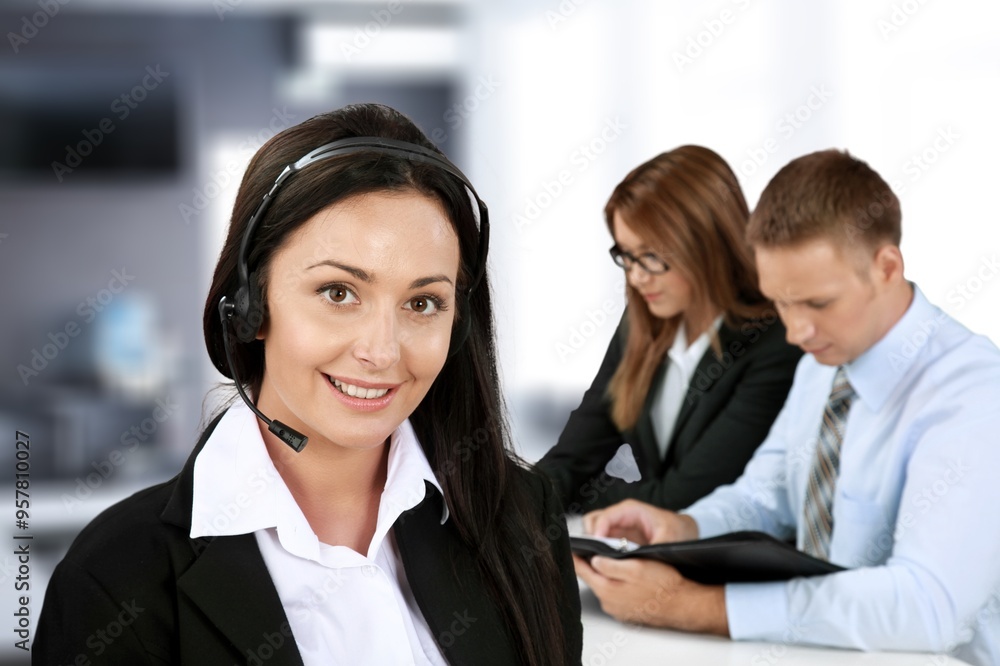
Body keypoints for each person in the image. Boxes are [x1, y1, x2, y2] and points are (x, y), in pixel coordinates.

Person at [34, 103, 582, 665]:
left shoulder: (522, 515)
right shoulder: (113, 578)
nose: (381, 351)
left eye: (423, 303)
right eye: (338, 293)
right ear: (250, 306)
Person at [574, 149, 1000, 666]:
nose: (796, 332)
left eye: (817, 304)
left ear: (886, 267)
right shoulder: (824, 360)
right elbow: (765, 495)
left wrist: (696, 607)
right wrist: (682, 528)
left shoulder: (972, 392)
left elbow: (929, 607)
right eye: (781, 303)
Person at [536, 146, 802, 514]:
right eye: (626, 255)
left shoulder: (775, 341)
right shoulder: (642, 320)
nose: (636, 276)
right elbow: (571, 461)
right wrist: (517, 502)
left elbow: (684, 498)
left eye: (650, 255)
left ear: (707, 241)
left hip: (730, 563)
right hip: (651, 555)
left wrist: (583, 497)